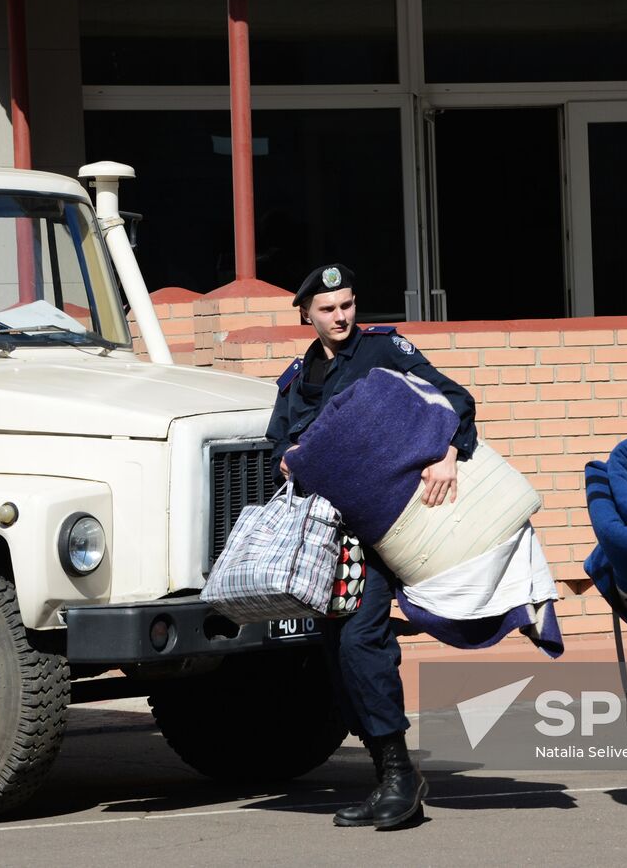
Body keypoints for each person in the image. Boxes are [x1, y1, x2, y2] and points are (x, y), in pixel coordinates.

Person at [266, 263, 477, 830]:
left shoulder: (384, 351)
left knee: (362, 641)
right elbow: (278, 440)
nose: (340, 317)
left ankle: (400, 778)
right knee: (338, 653)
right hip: (327, 535)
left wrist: (448, 453)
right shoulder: (298, 375)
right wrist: (287, 456)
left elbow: (454, 400)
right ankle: (388, 775)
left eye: (348, 306)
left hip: (388, 526)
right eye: (328, 309)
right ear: (306, 314)